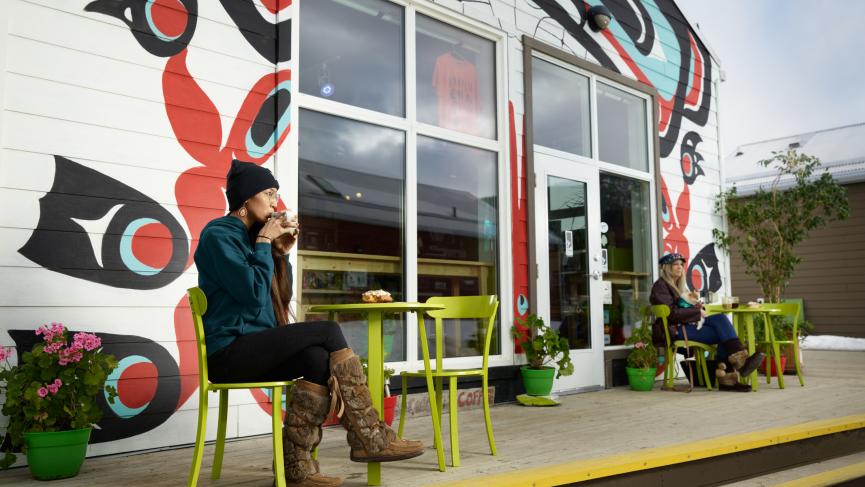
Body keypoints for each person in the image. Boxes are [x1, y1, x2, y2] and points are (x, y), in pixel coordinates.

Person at [194, 160, 424, 487]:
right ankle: (370, 436)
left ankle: (296, 468)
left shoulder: (251, 238)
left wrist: (280, 253)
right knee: (328, 330)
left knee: (317, 357)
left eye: (277, 194)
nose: (276, 202)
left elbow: (274, 305)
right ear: (246, 200)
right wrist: (263, 244)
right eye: (269, 193)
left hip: (252, 348)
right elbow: (251, 294)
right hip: (228, 355)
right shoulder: (218, 235)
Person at [649, 253, 765, 392]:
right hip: (674, 330)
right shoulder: (660, 286)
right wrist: (698, 312)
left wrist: (698, 306)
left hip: (686, 326)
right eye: (676, 264)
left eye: (681, 264)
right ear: (667, 267)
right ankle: (736, 369)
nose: (680, 267)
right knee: (722, 326)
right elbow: (672, 313)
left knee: (722, 326)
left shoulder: (679, 286)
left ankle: (729, 378)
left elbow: (685, 307)